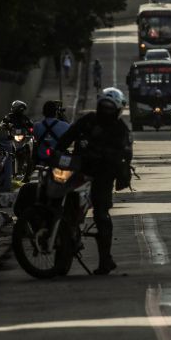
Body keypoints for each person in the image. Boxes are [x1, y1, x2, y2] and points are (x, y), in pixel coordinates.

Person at [55, 88, 133, 275]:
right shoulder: (87, 121)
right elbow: (68, 136)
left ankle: (105, 259)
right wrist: (55, 152)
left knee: (101, 214)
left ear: (117, 109)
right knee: (62, 206)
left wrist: (108, 158)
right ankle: (61, 252)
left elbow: (124, 154)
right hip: (77, 171)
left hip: (103, 176)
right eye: (103, 106)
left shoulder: (120, 129)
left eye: (110, 107)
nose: (106, 110)